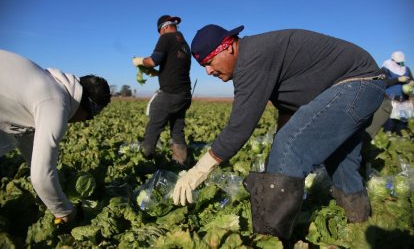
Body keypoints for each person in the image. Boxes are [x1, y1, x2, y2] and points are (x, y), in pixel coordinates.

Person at [172, 25, 386, 240]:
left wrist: (200, 169)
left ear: (227, 48)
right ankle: (358, 224)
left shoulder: (251, 58)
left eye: (209, 62)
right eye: (203, 66)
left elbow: (240, 125)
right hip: (365, 86)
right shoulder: (259, 55)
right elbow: (288, 110)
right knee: (341, 161)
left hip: (356, 85)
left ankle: (270, 239)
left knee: (290, 146)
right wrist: (277, 156)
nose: (208, 71)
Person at [0, 49, 111, 224]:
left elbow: (29, 143)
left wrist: (54, 187)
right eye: (89, 117)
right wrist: (64, 211)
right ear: (87, 108)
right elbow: (40, 176)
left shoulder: (50, 83)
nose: (84, 121)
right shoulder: (55, 102)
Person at [132, 15, 192, 165]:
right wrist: (158, 73)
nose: (159, 35)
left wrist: (140, 61)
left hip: (170, 93)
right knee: (177, 130)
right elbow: (175, 68)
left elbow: (153, 60)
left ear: (164, 28)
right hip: (184, 94)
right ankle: (180, 162)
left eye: (159, 32)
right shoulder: (184, 44)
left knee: (154, 125)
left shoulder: (166, 38)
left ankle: (144, 160)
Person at [381, 51, 414, 134]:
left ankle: (401, 133)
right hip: (391, 98)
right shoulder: (385, 69)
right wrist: (397, 80)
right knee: (390, 121)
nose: (400, 64)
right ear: (392, 60)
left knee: (403, 119)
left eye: (402, 62)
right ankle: (388, 133)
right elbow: (383, 82)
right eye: (398, 62)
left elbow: (411, 79)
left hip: (404, 99)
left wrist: (411, 83)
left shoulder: (406, 69)